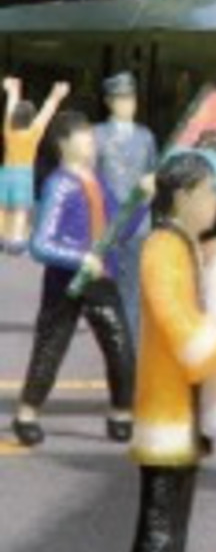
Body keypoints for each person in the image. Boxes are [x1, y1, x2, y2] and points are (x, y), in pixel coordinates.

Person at [127, 151, 216, 552]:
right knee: (161, 504)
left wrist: (214, 256)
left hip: (184, 403)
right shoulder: (162, 250)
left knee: (180, 497)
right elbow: (177, 321)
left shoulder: (182, 244)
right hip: (167, 402)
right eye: (209, 192)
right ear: (182, 197)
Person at [12, 110, 136, 448]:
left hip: (101, 279)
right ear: (63, 144)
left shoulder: (98, 181)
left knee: (120, 347)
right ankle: (26, 413)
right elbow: (41, 245)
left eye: (92, 138)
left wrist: (142, 199)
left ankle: (121, 411)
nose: (92, 144)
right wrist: (80, 258)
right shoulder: (59, 185)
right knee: (50, 348)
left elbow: (119, 227)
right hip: (65, 282)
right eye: (85, 138)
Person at [93, 71, 158, 346]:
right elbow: (91, 178)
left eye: (131, 98)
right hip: (108, 222)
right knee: (103, 288)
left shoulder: (146, 137)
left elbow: (153, 171)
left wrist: (151, 190)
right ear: (109, 101)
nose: (127, 103)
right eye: (121, 98)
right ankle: (112, 340)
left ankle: (129, 345)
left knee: (132, 288)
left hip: (139, 223)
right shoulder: (97, 135)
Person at [0, 76, 70, 252]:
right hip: (24, 175)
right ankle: (16, 240)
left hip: (6, 172)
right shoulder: (33, 133)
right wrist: (56, 94)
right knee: (20, 209)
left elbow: (10, 109)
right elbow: (47, 112)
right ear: (32, 118)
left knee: (2, 207)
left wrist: (13, 90)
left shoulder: (8, 130)